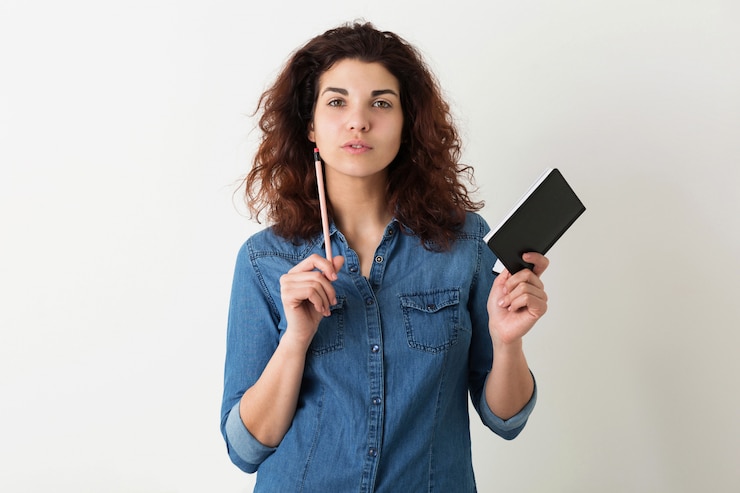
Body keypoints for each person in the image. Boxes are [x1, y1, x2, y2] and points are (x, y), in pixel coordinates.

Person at [221, 21, 549, 492]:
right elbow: (246, 449)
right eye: (337, 102)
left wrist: (507, 342)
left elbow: (506, 420)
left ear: (406, 122)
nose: (359, 120)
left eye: (381, 102)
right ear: (310, 125)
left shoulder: (466, 246)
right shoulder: (264, 259)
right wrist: (295, 341)